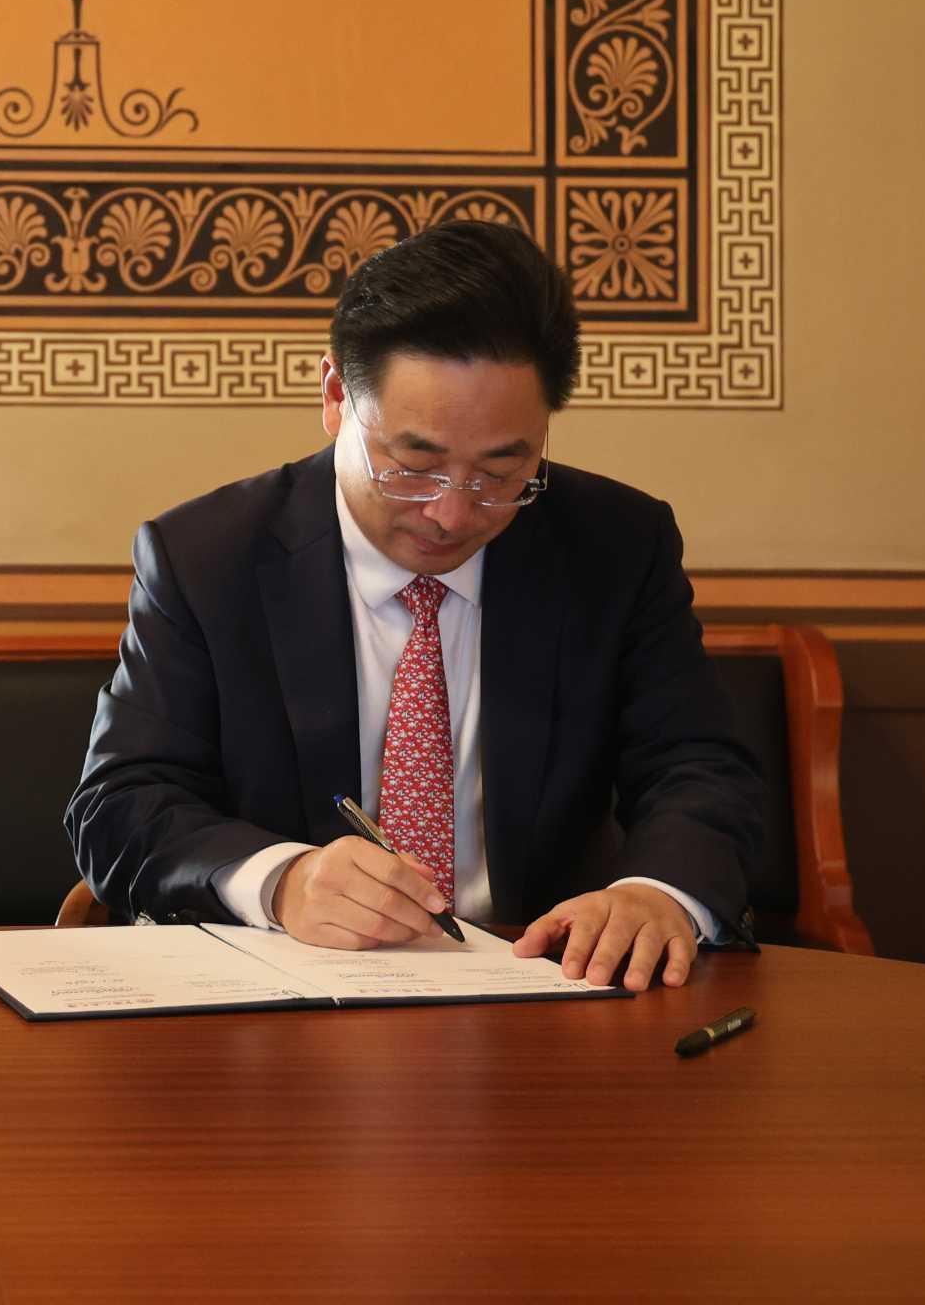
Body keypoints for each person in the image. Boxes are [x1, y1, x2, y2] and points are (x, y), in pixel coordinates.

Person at [64, 220, 761, 991]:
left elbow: (698, 766)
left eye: (501, 472)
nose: (452, 514)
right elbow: (120, 805)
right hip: (280, 1007)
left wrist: (655, 894)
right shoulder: (207, 557)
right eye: (413, 466)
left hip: (544, 991)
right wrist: (282, 881)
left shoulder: (615, 545)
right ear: (336, 397)